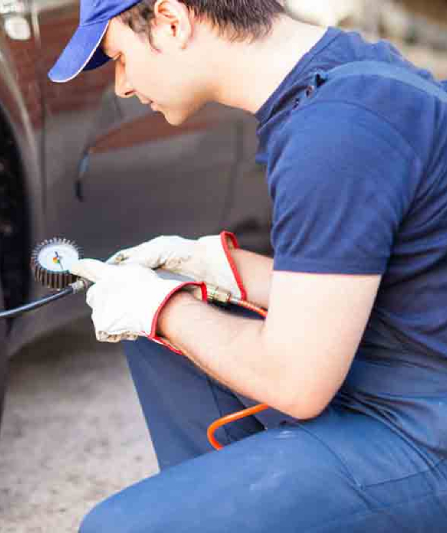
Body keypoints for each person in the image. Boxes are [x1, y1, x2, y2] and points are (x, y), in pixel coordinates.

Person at [48, 1, 447, 531]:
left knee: (118, 528)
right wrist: (216, 265)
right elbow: (372, 279)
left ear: (171, 20)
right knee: (160, 331)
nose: (120, 85)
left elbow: (297, 384)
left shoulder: (336, 132)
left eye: (118, 55)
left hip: (422, 428)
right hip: (407, 371)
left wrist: (162, 308)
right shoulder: (343, 76)